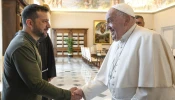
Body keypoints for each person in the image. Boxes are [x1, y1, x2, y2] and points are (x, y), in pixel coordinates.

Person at [74, 3, 175, 100]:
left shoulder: (149, 38)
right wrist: (83, 91)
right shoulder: (116, 42)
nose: (107, 27)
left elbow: (151, 91)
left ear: (126, 20)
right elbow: (103, 77)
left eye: (110, 21)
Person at [2, 4, 81, 100]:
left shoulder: (28, 42)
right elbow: (37, 85)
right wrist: (68, 95)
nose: (49, 25)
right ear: (30, 23)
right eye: (44, 21)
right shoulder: (22, 46)